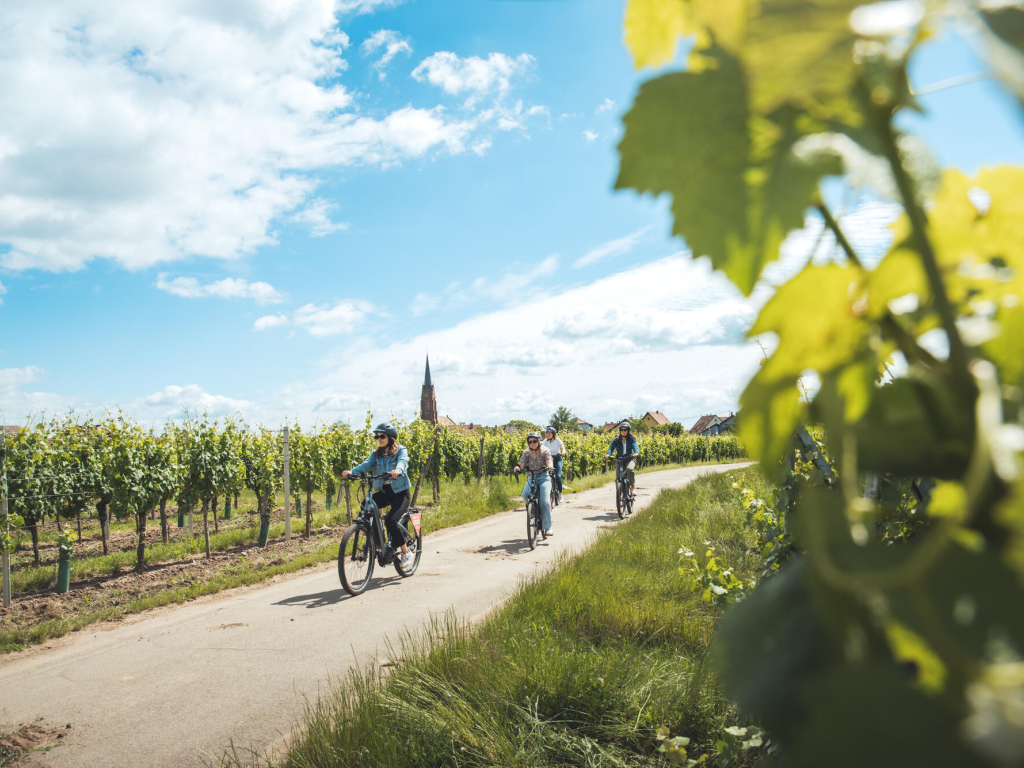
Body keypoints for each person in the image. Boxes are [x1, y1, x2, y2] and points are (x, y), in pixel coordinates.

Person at [342, 422, 413, 568]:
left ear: (391, 438)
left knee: (391, 521)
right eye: (377, 436)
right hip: (385, 492)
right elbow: (366, 465)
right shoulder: (376, 455)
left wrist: (398, 471)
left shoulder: (400, 450)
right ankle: (377, 543)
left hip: (400, 493)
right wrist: (352, 472)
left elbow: (403, 462)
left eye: (382, 436)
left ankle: (406, 552)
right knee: (365, 505)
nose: (378, 438)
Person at [513, 431, 554, 536]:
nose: (532, 443)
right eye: (530, 442)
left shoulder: (545, 452)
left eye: (534, 441)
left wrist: (549, 466)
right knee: (525, 494)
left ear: (539, 442)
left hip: (544, 477)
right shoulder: (526, 453)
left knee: (545, 502)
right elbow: (522, 462)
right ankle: (533, 510)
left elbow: (549, 460)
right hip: (532, 477)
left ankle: (548, 527)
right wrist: (518, 467)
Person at [606, 421, 639, 490]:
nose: (623, 431)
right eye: (622, 430)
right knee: (618, 478)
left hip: (630, 459)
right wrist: (608, 454)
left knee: (629, 469)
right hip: (620, 459)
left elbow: (635, 447)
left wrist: (636, 453)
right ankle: (620, 491)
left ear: (628, 431)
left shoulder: (632, 440)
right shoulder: (616, 440)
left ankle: (632, 487)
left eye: (625, 430)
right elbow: (611, 448)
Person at [542, 426, 565, 500]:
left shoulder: (558, 440)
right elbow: (541, 448)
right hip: (549, 459)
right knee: (547, 476)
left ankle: (560, 494)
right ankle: (548, 494)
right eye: (547, 433)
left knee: (558, 476)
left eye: (549, 433)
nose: (548, 435)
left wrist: (563, 452)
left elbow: (562, 447)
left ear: (553, 434)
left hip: (557, 458)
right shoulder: (545, 441)